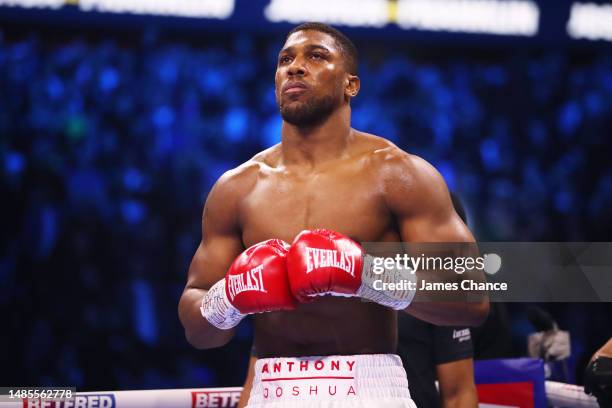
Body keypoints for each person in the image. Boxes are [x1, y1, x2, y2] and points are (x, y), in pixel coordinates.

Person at [178, 22, 489, 408]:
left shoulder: (398, 175)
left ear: (351, 85)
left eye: (316, 56)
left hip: (370, 389)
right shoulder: (237, 188)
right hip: (272, 391)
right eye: (285, 59)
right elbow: (196, 327)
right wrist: (228, 298)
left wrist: (367, 276)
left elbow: (472, 299)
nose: (295, 67)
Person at [236, 194, 479, 408]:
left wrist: (364, 272)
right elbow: (258, 365)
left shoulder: (432, 299)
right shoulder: (307, 280)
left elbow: (458, 392)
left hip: (386, 395)